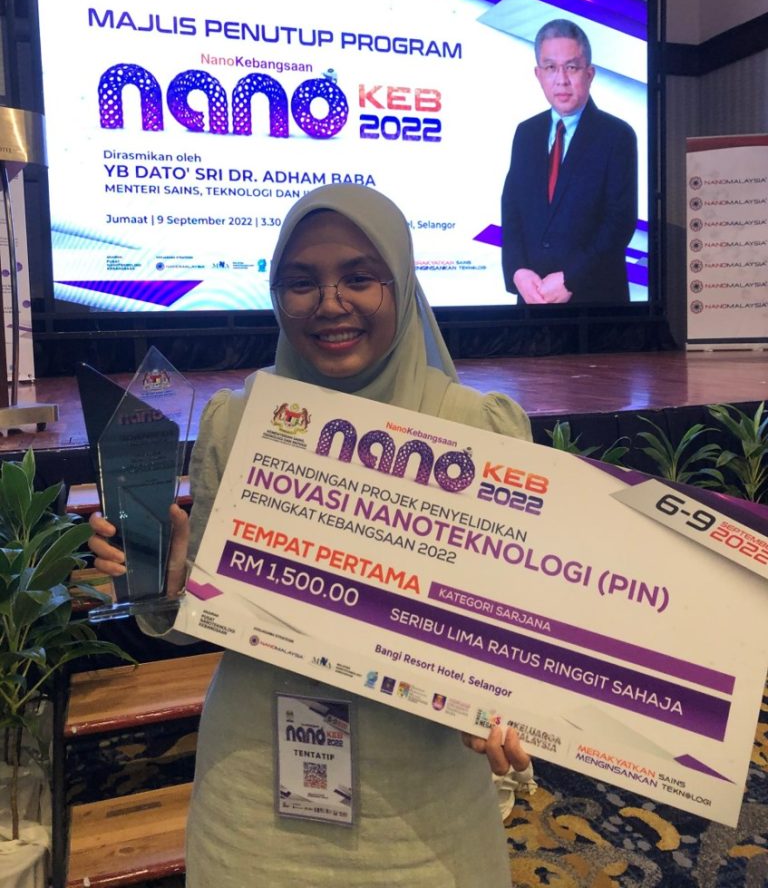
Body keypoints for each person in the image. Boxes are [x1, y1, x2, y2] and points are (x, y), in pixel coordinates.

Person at [89, 184, 534, 887]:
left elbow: (514, 630)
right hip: (255, 799)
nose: (330, 303)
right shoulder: (239, 421)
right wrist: (163, 586)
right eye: (301, 282)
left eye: (359, 277)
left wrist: (515, 704)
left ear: (401, 283)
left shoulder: (476, 428)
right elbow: (196, 618)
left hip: (423, 809)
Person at [500, 18, 638, 305]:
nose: (561, 79)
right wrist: (518, 272)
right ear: (538, 74)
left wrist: (571, 279)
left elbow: (619, 223)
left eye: (571, 67)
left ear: (590, 73)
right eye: (551, 68)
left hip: (595, 304)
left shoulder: (617, 135)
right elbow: (511, 210)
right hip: (533, 302)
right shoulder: (526, 133)